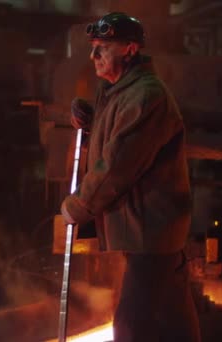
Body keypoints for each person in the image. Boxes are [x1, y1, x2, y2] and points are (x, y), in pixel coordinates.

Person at [60, 12, 201, 342]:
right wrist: (92, 118)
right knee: (174, 322)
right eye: (94, 47)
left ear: (130, 49)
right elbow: (120, 132)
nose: (94, 56)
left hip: (149, 233)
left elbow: (117, 166)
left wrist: (77, 207)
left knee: (131, 327)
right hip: (153, 231)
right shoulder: (122, 92)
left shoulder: (145, 96)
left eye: (103, 48)